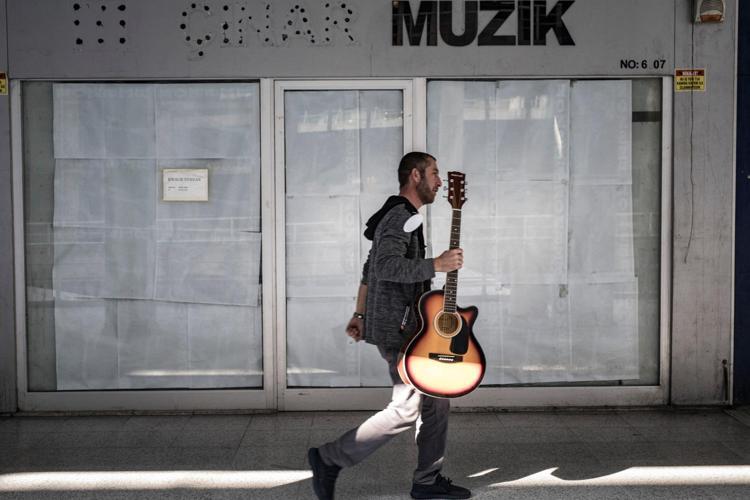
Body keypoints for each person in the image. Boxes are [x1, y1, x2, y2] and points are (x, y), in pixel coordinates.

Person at [307, 152, 471, 499]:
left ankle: (427, 481)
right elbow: (385, 266)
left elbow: (370, 268)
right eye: (434, 173)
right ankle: (329, 458)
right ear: (415, 176)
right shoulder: (400, 216)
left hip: (407, 325)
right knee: (407, 407)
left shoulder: (401, 215)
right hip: (400, 329)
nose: (440, 182)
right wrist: (436, 264)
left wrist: (360, 313)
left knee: (437, 400)